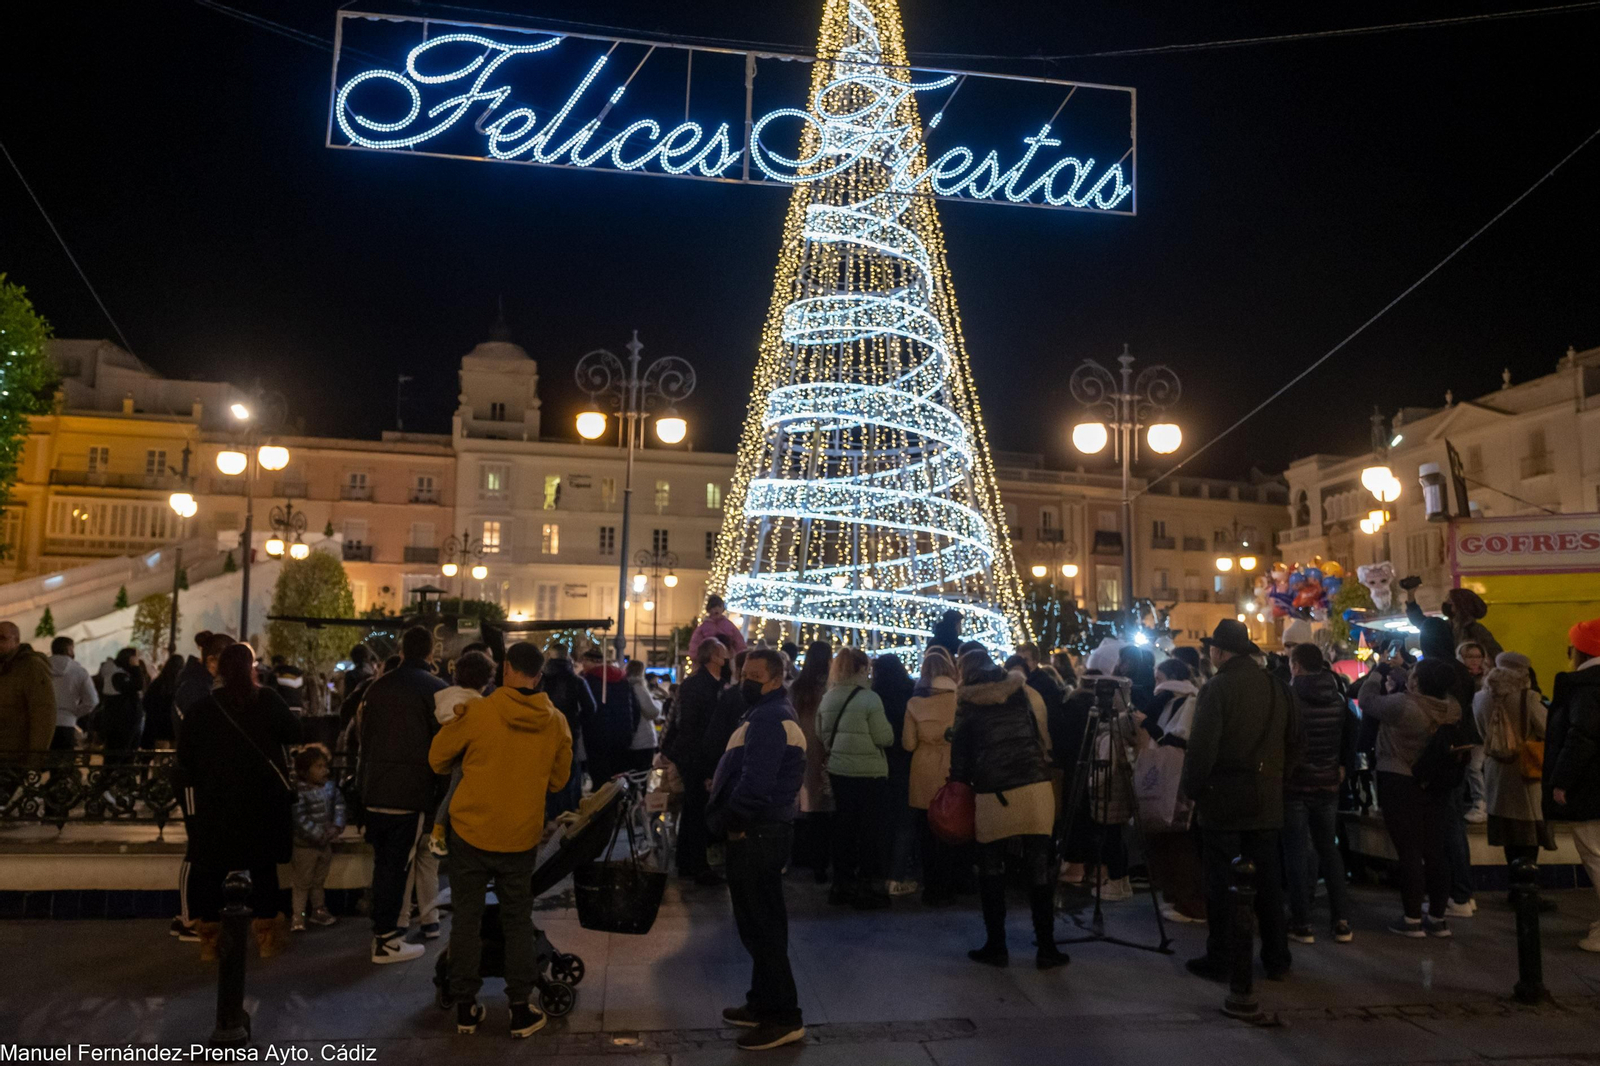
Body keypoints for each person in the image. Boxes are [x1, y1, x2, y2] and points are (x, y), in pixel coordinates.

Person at [430, 641, 572, 1039]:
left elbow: (437, 758)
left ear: (506, 668)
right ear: (539, 676)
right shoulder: (556, 721)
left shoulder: (477, 712)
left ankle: (465, 1007)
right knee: (516, 920)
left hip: (470, 833)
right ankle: (519, 1009)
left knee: (467, 920)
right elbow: (560, 780)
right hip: (520, 836)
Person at [1181, 619, 1297, 982]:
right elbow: (1296, 743)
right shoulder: (1279, 687)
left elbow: (1202, 749)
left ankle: (1222, 957)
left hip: (1224, 801)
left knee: (1221, 884)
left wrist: (1193, 789)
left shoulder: (1217, 688)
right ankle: (1277, 957)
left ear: (1218, 652)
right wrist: (1275, 779)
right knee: (1268, 886)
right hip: (1266, 801)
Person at [707, 646, 808, 1051]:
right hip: (763, 831)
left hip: (757, 834)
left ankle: (783, 1016)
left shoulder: (769, 718)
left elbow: (756, 784)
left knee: (762, 926)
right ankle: (763, 1002)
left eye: (754, 676)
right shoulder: (767, 713)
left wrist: (731, 821)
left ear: (776, 678)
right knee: (758, 923)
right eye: (743, 674)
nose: (745, 682)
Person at [178, 642, 300, 960]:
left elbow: (185, 759)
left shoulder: (202, 709)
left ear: (219, 670)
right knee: (263, 871)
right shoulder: (268, 701)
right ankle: (266, 941)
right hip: (263, 805)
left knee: (212, 870)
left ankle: (209, 943)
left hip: (218, 805)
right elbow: (295, 732)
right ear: (251, 668)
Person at [949, 651, 1067, 970]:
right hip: (1035, 788)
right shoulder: (1023, 693)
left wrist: (957, 783)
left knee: (991, 868)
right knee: (1039, 867)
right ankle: (1046, 948)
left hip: (994, 792)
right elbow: (1041, 736)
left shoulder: (967, 702)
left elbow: (959, 754)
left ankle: (997, 947)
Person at [357, 625, 446, 964]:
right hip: (410, 792)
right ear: (430, 653)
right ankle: (387, 939)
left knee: (384, 865)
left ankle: (383, 933)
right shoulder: (435, 690)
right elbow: (443, 747)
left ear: (403, 649)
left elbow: (363, 739)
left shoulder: (377, 687)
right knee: (397, 866)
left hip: (375, 786)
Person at [1360, 657, 1461, 937]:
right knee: (1435, 849)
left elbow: (1366, 701)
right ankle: (1437, 918)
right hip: (1435, 782)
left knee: (1409, 850)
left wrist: (1376, 674)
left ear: (1416, 681)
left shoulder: (1403, 706)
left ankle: (1412, 918)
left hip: (1399, 779)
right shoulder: (1452, 707)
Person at [1283, 643, 1357, 945]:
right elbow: (1352, 734)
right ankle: (1341, 921)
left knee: (1297, 853)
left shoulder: (1288, 697)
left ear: (1296, 664)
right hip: (1328, 783)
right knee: (1329, 850)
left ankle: (1302, 923)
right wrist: (1343, 767)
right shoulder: (1339, 697)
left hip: (1295, 785)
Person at [1414, 614, 1482, 918]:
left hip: (1435, 756)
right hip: (1458, 753)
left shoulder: (1432, 670)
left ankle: (1457, 895)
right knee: (1454, 825)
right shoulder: (1461, 671)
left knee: (1444, 828)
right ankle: (1464, 892)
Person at [816, 646, 893, 909]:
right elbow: (884, 737)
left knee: (844, 830)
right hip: (870, 773)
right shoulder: (870, 699)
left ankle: (842, 885)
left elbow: (820, 733)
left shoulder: (828, 698)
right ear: (862, 668)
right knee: (870, 832)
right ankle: (869, 887)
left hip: (839, 771)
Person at [1474, 651, 1555, 888]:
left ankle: (1514, 887)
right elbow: (1547, 729)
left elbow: (1482, 732)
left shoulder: (1479, 697)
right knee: (1528, 834)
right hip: (1525, 772)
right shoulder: (1527, 697)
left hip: (1495, 771)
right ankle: (1527, 893)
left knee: (1509, 833)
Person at [1135, 657, 1206, 924]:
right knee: (1170, 839)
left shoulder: (1187, 701)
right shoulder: (1173, 700)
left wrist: (1147, 724)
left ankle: (1190, 903)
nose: (1156, 685)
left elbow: (1178, 738)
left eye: (1159, 678)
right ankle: (1178, 897)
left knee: (1180, 841)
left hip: (1178, 777)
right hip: (1172, 775)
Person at [1546, 619, 1600, 952]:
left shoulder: (1587, 686)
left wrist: (1562, 780)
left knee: (1595, 854)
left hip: (1591, 785)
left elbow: (1582, 735)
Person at [664, 638, 730, 884]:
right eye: (723, 652)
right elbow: (690, 726)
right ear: (713, 656)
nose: (727, 656)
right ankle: (696, 865)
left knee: (693, 811)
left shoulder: (713, 684)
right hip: (697, 757)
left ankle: (688, 863)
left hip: (700, 755)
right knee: (697, 811)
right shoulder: (699, 685)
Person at [427, 651, 498, 857]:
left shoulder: (449, 697)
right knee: (455, 790)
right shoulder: (473, 704)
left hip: (447, 758)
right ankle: (438, 831)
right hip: (466, 757)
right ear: (486, 679)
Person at [904, 651, 959, 905]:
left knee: (926, 830)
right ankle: (950, 883)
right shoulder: (960, 701)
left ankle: (931, 887)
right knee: (951, 826)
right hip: (952, 766)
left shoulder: (915, 704)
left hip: (923, 767)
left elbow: (908, 743)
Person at [873, 653, 918, 895]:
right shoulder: (911, 692)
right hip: (906, 761)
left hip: (880, 762)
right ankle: (896, 875)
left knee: (882, 821)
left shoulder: (874, 695)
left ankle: (880, 872)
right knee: (904, 822)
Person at [789, 641, 834, 881]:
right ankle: (822, 862)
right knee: (825, 806)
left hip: (801, 748)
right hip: (825, 748)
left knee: (805, 804)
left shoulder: (798, 688)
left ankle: (803, 857)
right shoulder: (830, 688)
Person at [290, 742, 345, 931]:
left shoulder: (330, 788)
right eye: (319, 767)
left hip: (323, 844)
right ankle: (298, 915)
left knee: (318, 880)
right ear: (305, 772)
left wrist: (337, 826)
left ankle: (318, 910)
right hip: (305, 846)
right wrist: (320, 834)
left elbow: (339, 806)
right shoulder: (299, 792)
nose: (325, 771)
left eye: (325, 766)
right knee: (302, 882)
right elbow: (299, 818)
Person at [540, 642, 595, 818]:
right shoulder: (577, 681)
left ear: (550, 657)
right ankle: (565, 819)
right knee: (569, 777)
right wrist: (578, 721)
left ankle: (549, 817)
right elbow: (591, 708)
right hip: (570, 733)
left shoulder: (540, 680)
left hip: (544, 733)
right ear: (567, 657)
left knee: (547, 776)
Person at [578, 647, 632, 788]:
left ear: (592, 661)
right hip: (621, 734)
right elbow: (634, 708)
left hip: (596, 734)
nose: (582, 664)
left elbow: (586, 708)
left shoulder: (588, 680)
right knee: (617, 779)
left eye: (584, 661)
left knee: (600, 779)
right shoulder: (622, 678)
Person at [46, 636, 97, 751]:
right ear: (69, 649)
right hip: (66, 724)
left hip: (43, 723)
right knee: (63, 764)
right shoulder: (79, 671)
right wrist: (74, 713)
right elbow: (92, 701)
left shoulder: (41, 668)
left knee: (40, 763)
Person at [99, 648, 147, 762]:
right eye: (136, 657)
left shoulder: (121, 673)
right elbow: (138, 685)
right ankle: (115, 777)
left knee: (125, 754)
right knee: (120, 755)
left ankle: (122, 777)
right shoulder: (118, 674)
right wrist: (136, 667)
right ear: (130, 658)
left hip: (127, 722)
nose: (138, 660)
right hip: (122, 723)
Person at [625, 658, 661, 773]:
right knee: (642, 775)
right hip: (643, 739)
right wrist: (658, 703)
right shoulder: (639, 687)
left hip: (630, 738)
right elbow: (652, 712)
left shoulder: (624, 687)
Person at [143, 653, 185, 749]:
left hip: (159, 724)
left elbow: (146, 702)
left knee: (161, 753)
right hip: (175, 724)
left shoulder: (158, 683)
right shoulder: (182, 685)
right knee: (175, 753)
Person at [688, 595, 747, 660]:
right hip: (709, 658)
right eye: (713, 607)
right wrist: (695, 656)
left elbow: (738, 641)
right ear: (709, 609)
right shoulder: (704, 627)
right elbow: (695, 642)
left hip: (726, 658)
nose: (716, 609)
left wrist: (742, 655)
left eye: (719, 606)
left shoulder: (729, 625)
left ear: (722, 608)